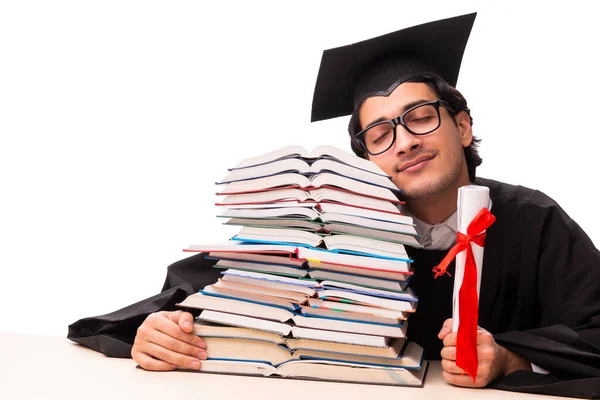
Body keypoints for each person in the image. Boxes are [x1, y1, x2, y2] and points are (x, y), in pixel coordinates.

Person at [68, 13, 600, 398]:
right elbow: (196, 293)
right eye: (380, 132)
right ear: (366, 158)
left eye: (419, 116)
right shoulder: (325, 228)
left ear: (462, 125)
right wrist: (160, 329)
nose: (405, 141)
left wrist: (513, 357)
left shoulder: (535, 222)